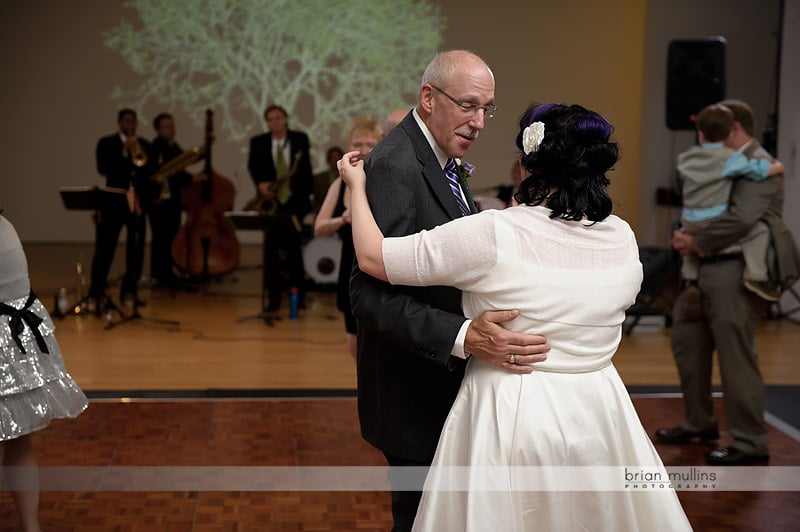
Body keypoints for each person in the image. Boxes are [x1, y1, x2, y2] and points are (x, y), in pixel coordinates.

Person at [341, 102, 692, 531]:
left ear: (528, 165)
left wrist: (356, 186)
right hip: (602, 414)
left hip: (512, 411)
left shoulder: (497, 232)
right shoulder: (621, 235)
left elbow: (374, 259)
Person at [347, 50, 551, 532]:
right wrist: (462, 337)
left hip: (439, 383)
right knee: (420, 519)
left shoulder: (438, 154)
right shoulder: (398, 164)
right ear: (428, 98)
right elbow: (370, 293)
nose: (479, 122)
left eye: (487, 109)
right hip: (414, 390)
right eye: (467, 105)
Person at [657, 99, 800, 465]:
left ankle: (750, 442)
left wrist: (695, 240)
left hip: (735, 270)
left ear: (735, 128)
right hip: (702, 268)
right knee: (688, 344)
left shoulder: (763, 164)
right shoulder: (721, 161)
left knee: (736, 358)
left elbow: (740, 218)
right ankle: (699, 423)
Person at [1, 212, 89, 531]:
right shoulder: (5, 227)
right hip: (15, 341)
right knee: (19, 440)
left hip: (6, 340)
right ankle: (30, 526)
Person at [676, 103, 784, 305]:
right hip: (714, 217)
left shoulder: (687, 157)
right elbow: (758, 170)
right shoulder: (732, 159)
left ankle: (689, 278)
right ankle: (757, 276)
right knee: (759, 231)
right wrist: (777, 167)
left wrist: (693, 242)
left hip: (689, 218)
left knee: (686, 233)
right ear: (729, 131)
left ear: (700, 134)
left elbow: (682, 176)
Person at [314, 116, 383, 357]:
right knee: (353, 346)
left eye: (370, 144)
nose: (363, 150)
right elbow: (319, 227)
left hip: (378, 270)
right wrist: (341, 220)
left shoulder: (386, 180)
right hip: (349, 268)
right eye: (358, 144)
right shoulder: (339, 184)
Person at [246, 105, 313, 311]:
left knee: (295, 252)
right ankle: (273, 299)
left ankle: (298, 296)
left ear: (286, 119)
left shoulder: (300, 139)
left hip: (294, 204)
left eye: (278, 117)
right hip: (271, 205)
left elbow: (306, 171)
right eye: (270, 119)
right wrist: (261, 184)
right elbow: (253, 166)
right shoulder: (258, 142)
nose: (275, 122)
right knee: (271, 253)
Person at [88, 108, 152, 309]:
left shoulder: (145, 145)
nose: (130, 124)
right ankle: (96, 290)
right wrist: (123, 152)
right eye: (126, 121)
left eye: (133, 121)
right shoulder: (107, 143)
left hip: (136, 202)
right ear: (119, 122)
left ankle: (129, 291)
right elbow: (103, 168)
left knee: (136, 249)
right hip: (114, 200)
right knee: (106, 247)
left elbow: (149, 171)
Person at [146, 112, 201, 291]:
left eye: (172, 125)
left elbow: (181, 166)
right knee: (161, 237)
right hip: (160, 201)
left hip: (172, 201)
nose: (171, 129)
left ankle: (167, 271)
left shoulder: (172, 145)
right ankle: (160, 274)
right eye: (167, 126)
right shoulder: (156, 147)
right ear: (158, 129)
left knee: (169, 236)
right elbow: (172, 169)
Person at [311, 146, 344, 219]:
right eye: (333, 158)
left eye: (338, 157)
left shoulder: (349, 175)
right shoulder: (319, 178)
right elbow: (314, 198)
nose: (335, 160)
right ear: (328, 160)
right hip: (323, 212)